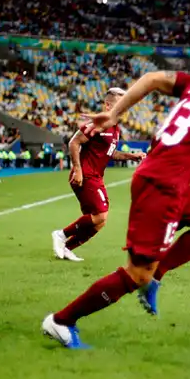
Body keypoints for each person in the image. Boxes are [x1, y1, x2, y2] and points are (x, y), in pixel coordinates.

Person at [42, 37, 190, 348]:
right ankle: (62, 321)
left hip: (165, 178)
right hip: (162, 185)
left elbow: (151, 78)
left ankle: (158, 274)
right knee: (137, 274)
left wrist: (114, 113)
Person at [51, 87, 146, 262]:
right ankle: (61, 235)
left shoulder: (114, 127)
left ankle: (67, 248)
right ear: (108, 105)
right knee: (100, 215)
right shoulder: (98, 124)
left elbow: (111, 152)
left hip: (96, 176)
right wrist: (78, 169)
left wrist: (132, 156)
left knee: (100, 221)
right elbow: (74, 142)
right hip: (85, 175)